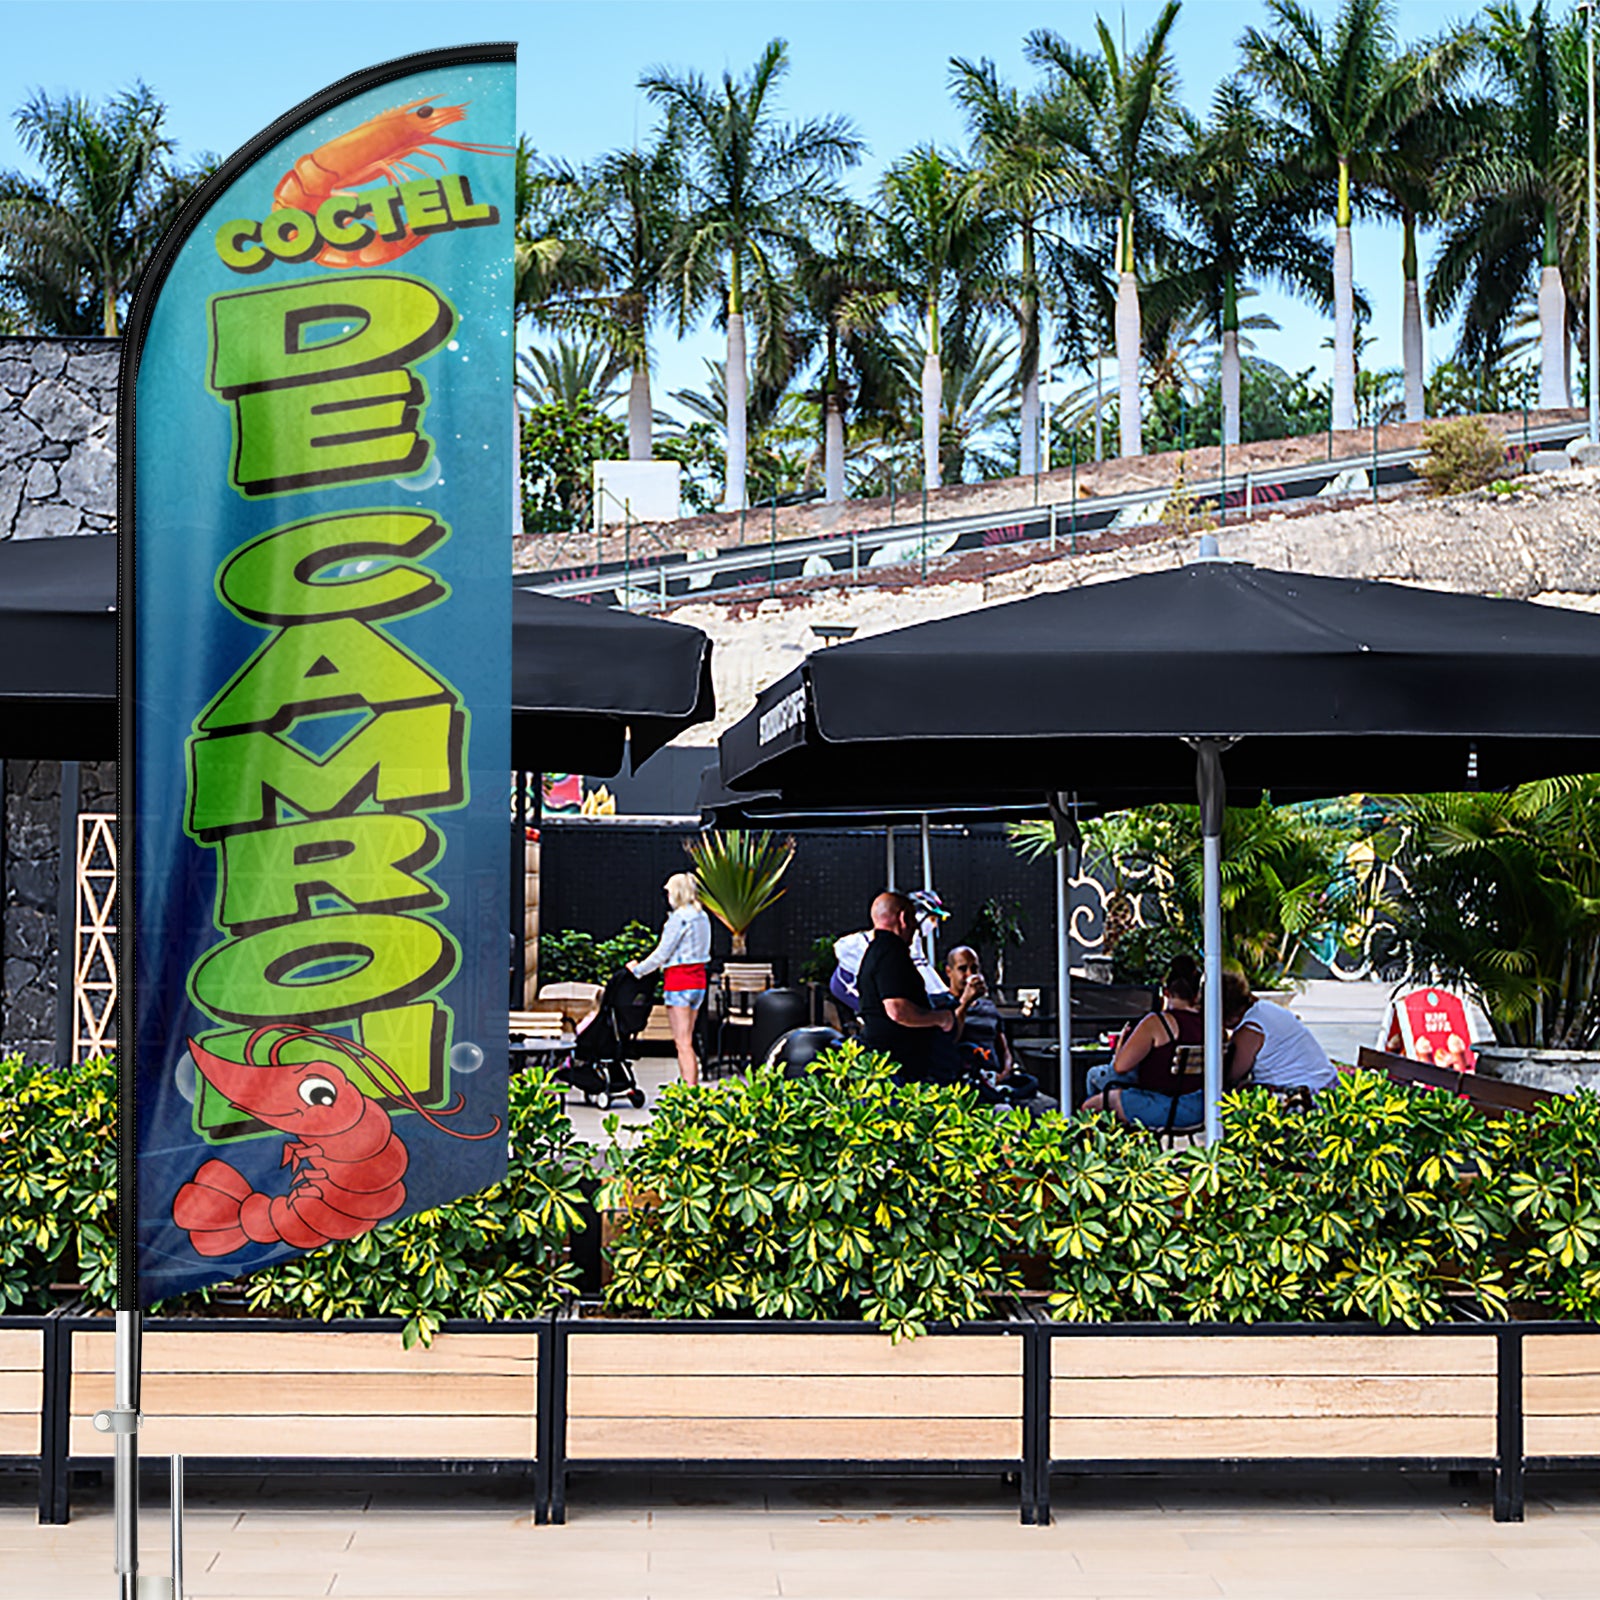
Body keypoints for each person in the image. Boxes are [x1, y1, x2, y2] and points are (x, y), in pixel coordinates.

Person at [1080, 953, 1205, 1129]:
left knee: (1089, 1106)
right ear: (1196, 995)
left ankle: (1104, 1142)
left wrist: (1121, 1043)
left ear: (1166, 992)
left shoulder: (1156, 1023)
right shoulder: (1211, 1026)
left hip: (1163, 1107)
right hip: (1200, 1107)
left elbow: (1120, 1067)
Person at [854, 890, 956, 1080]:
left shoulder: (875, 951)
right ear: (903, 918)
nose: (916, 928)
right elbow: (897, 1010)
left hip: (886, 1062)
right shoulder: (892, 952)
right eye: (913, 920)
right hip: (898, 1068)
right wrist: (941, 1018)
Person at [628, 872, 711, 1087]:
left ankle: (689, 1091)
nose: (667, 896)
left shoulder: (678, 918)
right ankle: (689, 1085)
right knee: (688, 1040)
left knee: (682, 1042)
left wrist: (637, 970)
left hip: (679, 980)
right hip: (698, 980)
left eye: (669, 892)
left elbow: (662, 954)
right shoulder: (702, 916)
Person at [945, 945, 1040, 1105]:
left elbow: (1004, 1050)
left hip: (995, 1077)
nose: (969, 974)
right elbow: (950, 1038)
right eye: (963, 969)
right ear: (949, 972)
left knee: (1036, 1091)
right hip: (967, 1080)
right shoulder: (943, 1005)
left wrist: (1003, 1074)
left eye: (974, 969)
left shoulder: (988, 1007)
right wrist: (965, 1003)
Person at [1221, 970, 1337, 1095]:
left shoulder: (1250, 1030)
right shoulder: (1264, 1008)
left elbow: (1231, 1076)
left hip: (1303, 1092)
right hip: (1325, 1084)